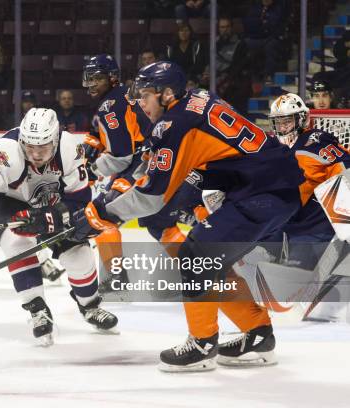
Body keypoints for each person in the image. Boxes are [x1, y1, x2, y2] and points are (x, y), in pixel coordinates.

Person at [71, 61, 305, 372]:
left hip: (262, 193)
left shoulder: (174, 124)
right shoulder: (197, 99)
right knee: (209, 261)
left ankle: (202, 343)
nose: (140, 103)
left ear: (167, 94)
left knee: (197, 254)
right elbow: (166, 160)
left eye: (145, 96)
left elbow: (151, 197)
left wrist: (102, 212)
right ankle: (258, 335)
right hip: (271, 185)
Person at [0, 108, 119, 345]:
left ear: (54, 141)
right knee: (17, 243)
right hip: (7, 201)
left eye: (42, 147)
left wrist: (49, 217)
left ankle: (90, 306)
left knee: (78, 254)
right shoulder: (6, 151)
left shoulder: (69, 149)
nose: (34, 153)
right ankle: (37, 309)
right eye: (29, 146)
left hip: (51, 203)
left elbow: (80, 200)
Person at [268, 93, 350, 321]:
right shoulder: (274, 148)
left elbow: (343, 166)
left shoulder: (315, 140)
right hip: (289, 225)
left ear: (302, 119)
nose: (283, 127)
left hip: (317, 226)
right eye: (279, 122)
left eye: (288, 121)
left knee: (298, 283)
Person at [81, 54, 150, 287]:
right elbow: (96, 133)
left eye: (96, 79)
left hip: (141, 164)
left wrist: (92, 169)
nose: (91, 84)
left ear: (112, 78)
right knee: (163, 225)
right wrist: (91, 145)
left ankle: (117, 278)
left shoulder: (109, 106)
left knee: (99, 215)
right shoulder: (120, 96)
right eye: (88, 79)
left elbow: (121, 156)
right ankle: (199, 272)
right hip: (159, 158)